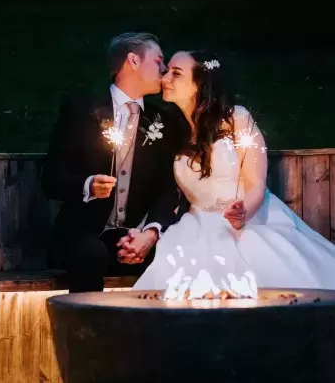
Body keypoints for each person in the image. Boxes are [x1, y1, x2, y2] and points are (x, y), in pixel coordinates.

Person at [132, 50, 335, 293]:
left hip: (251, 217)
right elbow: (168, 194)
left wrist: (243, 213)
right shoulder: (173, 131)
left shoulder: (237, 118)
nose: (165, 79)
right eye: (167, 72)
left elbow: (256, 182)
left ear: (200, 85)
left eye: (176, 74)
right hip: (195, 226)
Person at [41, 32, 180, 293]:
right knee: (90, 254)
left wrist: (149, 233)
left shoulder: (163, 120)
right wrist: (88, 185)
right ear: (133, 61)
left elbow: (167, 190)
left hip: (131, 234)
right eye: (159, 60)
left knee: (175, 256)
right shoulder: (82, 110)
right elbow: (51, 178)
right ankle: (85, 332)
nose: (164, 69)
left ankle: (152, 332)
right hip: (83, 232)